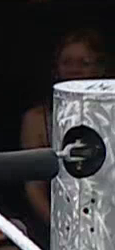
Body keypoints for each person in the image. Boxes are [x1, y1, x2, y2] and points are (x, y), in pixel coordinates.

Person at [22, 30, 106, 224]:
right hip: (55, 222)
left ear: (99, 68)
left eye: (84, 63)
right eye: (67, 62)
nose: (74, 69)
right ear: (56, 68)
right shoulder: (36, 119)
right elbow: (34, 186)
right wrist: (59, 226)